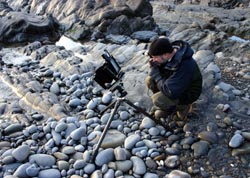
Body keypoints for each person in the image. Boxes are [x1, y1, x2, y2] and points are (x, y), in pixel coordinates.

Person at [146, 37, 202, 121]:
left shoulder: (185, 65)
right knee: (150, 80)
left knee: (157, 99)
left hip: (188, 92)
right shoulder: (171, 53)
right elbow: (168, 69)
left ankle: (183, 107)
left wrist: (156, 74)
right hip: (176, 84)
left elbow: (170, 91)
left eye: (155, 57)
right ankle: (166, 105)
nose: (153, 59)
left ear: (165, 55)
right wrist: (157, 66)